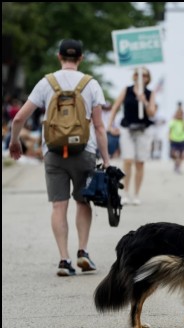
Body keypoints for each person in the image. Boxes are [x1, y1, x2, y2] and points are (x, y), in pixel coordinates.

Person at [8, 38, 110, 276]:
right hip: (84, 150)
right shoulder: (91, 84)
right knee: (83, 201)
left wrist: (14, 142)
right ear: (81, 58)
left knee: (58, 205)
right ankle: (83, 251)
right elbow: (99, 126)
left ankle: (64, 259)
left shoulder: (46, 83)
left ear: (59, 57)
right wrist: (106, 159)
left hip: (53, 152)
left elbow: (19, 118)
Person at [107, 67, 157, 205]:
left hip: (143, 130)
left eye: (144, 75)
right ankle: (125, 192)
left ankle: (136, 194)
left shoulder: (150, 93)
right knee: (127, 160)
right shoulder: (127, 90)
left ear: (148, 78)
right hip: (127, 129)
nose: (141, 77)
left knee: (140, 162)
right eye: (137, 74)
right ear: (134, 76)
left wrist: (144, 101)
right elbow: (115, 107)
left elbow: (152, 113)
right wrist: (110, 125)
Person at [168, 102, 184, 174]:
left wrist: (183, 120)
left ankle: (178, 166)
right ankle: (176, 164)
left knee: (181, 155)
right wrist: (169, 137)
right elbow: (170, 130)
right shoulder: (173, 121)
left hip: (182, 139)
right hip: (174, 139)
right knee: (174, 154)